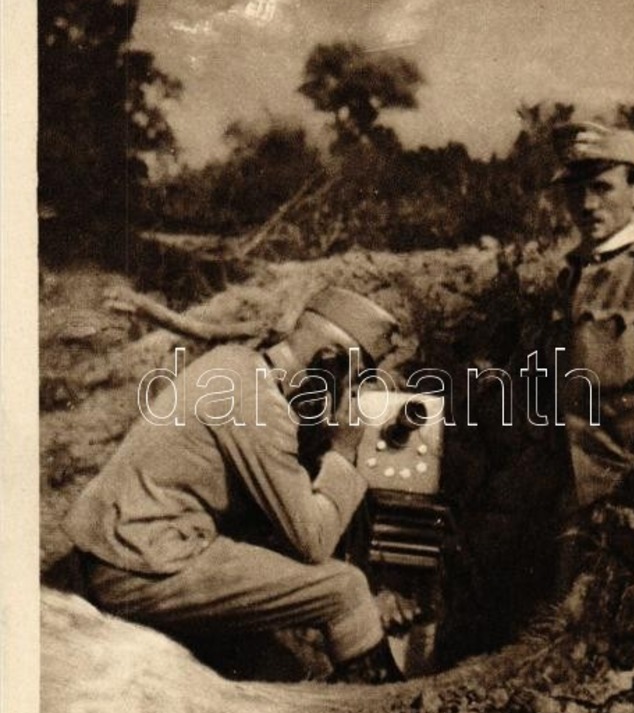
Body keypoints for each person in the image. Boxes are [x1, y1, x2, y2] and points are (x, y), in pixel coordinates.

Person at [64, 287, 405, 684]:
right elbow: (314, 541)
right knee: (344, 590)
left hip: (118, 548)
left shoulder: (232, 362)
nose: (353, 393)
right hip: (141, 567)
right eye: (357, 379)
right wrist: (344, 452)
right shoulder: (260, 407)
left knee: (286, 671)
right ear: (328, 360)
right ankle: (384, 712)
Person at [549, 121, 634, 509]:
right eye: (575, 191)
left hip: (632, 494)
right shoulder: (573, 273)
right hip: (573, 491)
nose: (587, 205)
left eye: (602, 188)